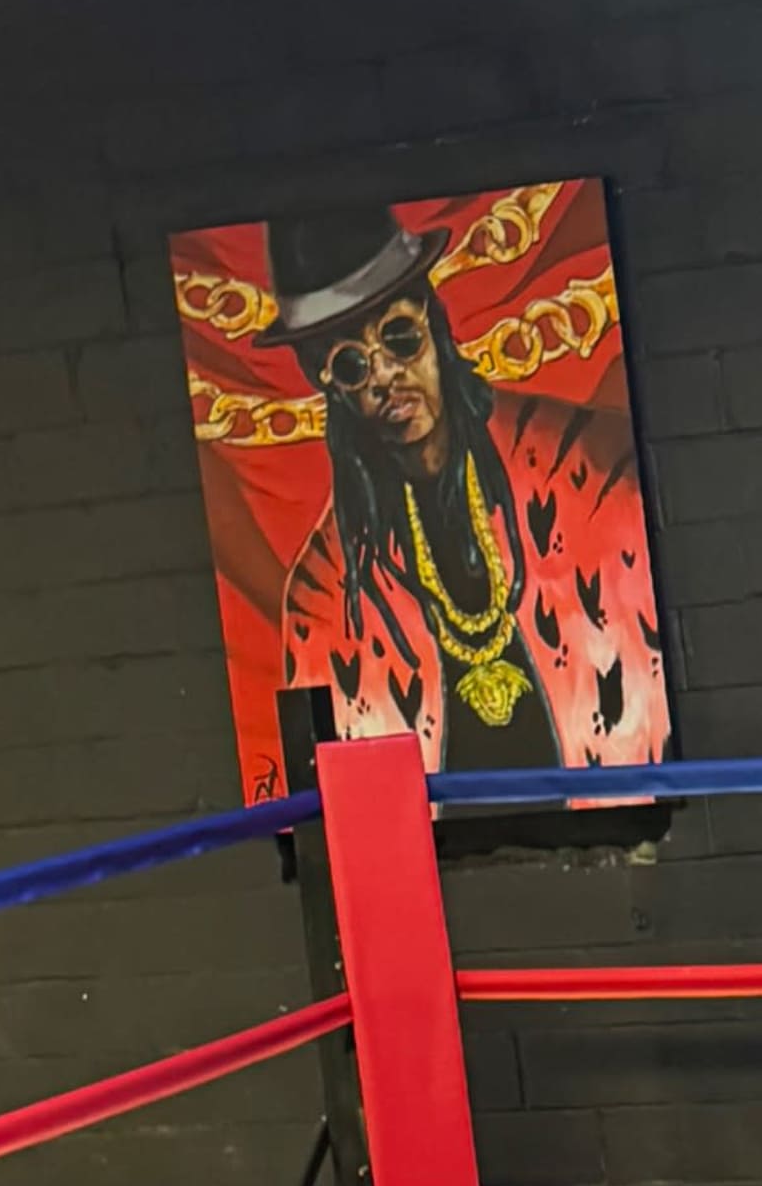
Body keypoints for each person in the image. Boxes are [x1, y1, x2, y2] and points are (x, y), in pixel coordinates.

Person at [265, 209, 666, 771]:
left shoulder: (591, 472)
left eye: (398, 336)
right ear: (330, 386)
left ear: (434, 324)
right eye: (352, 365)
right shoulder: (325, 593)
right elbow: (322, 789)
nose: (383, 378)